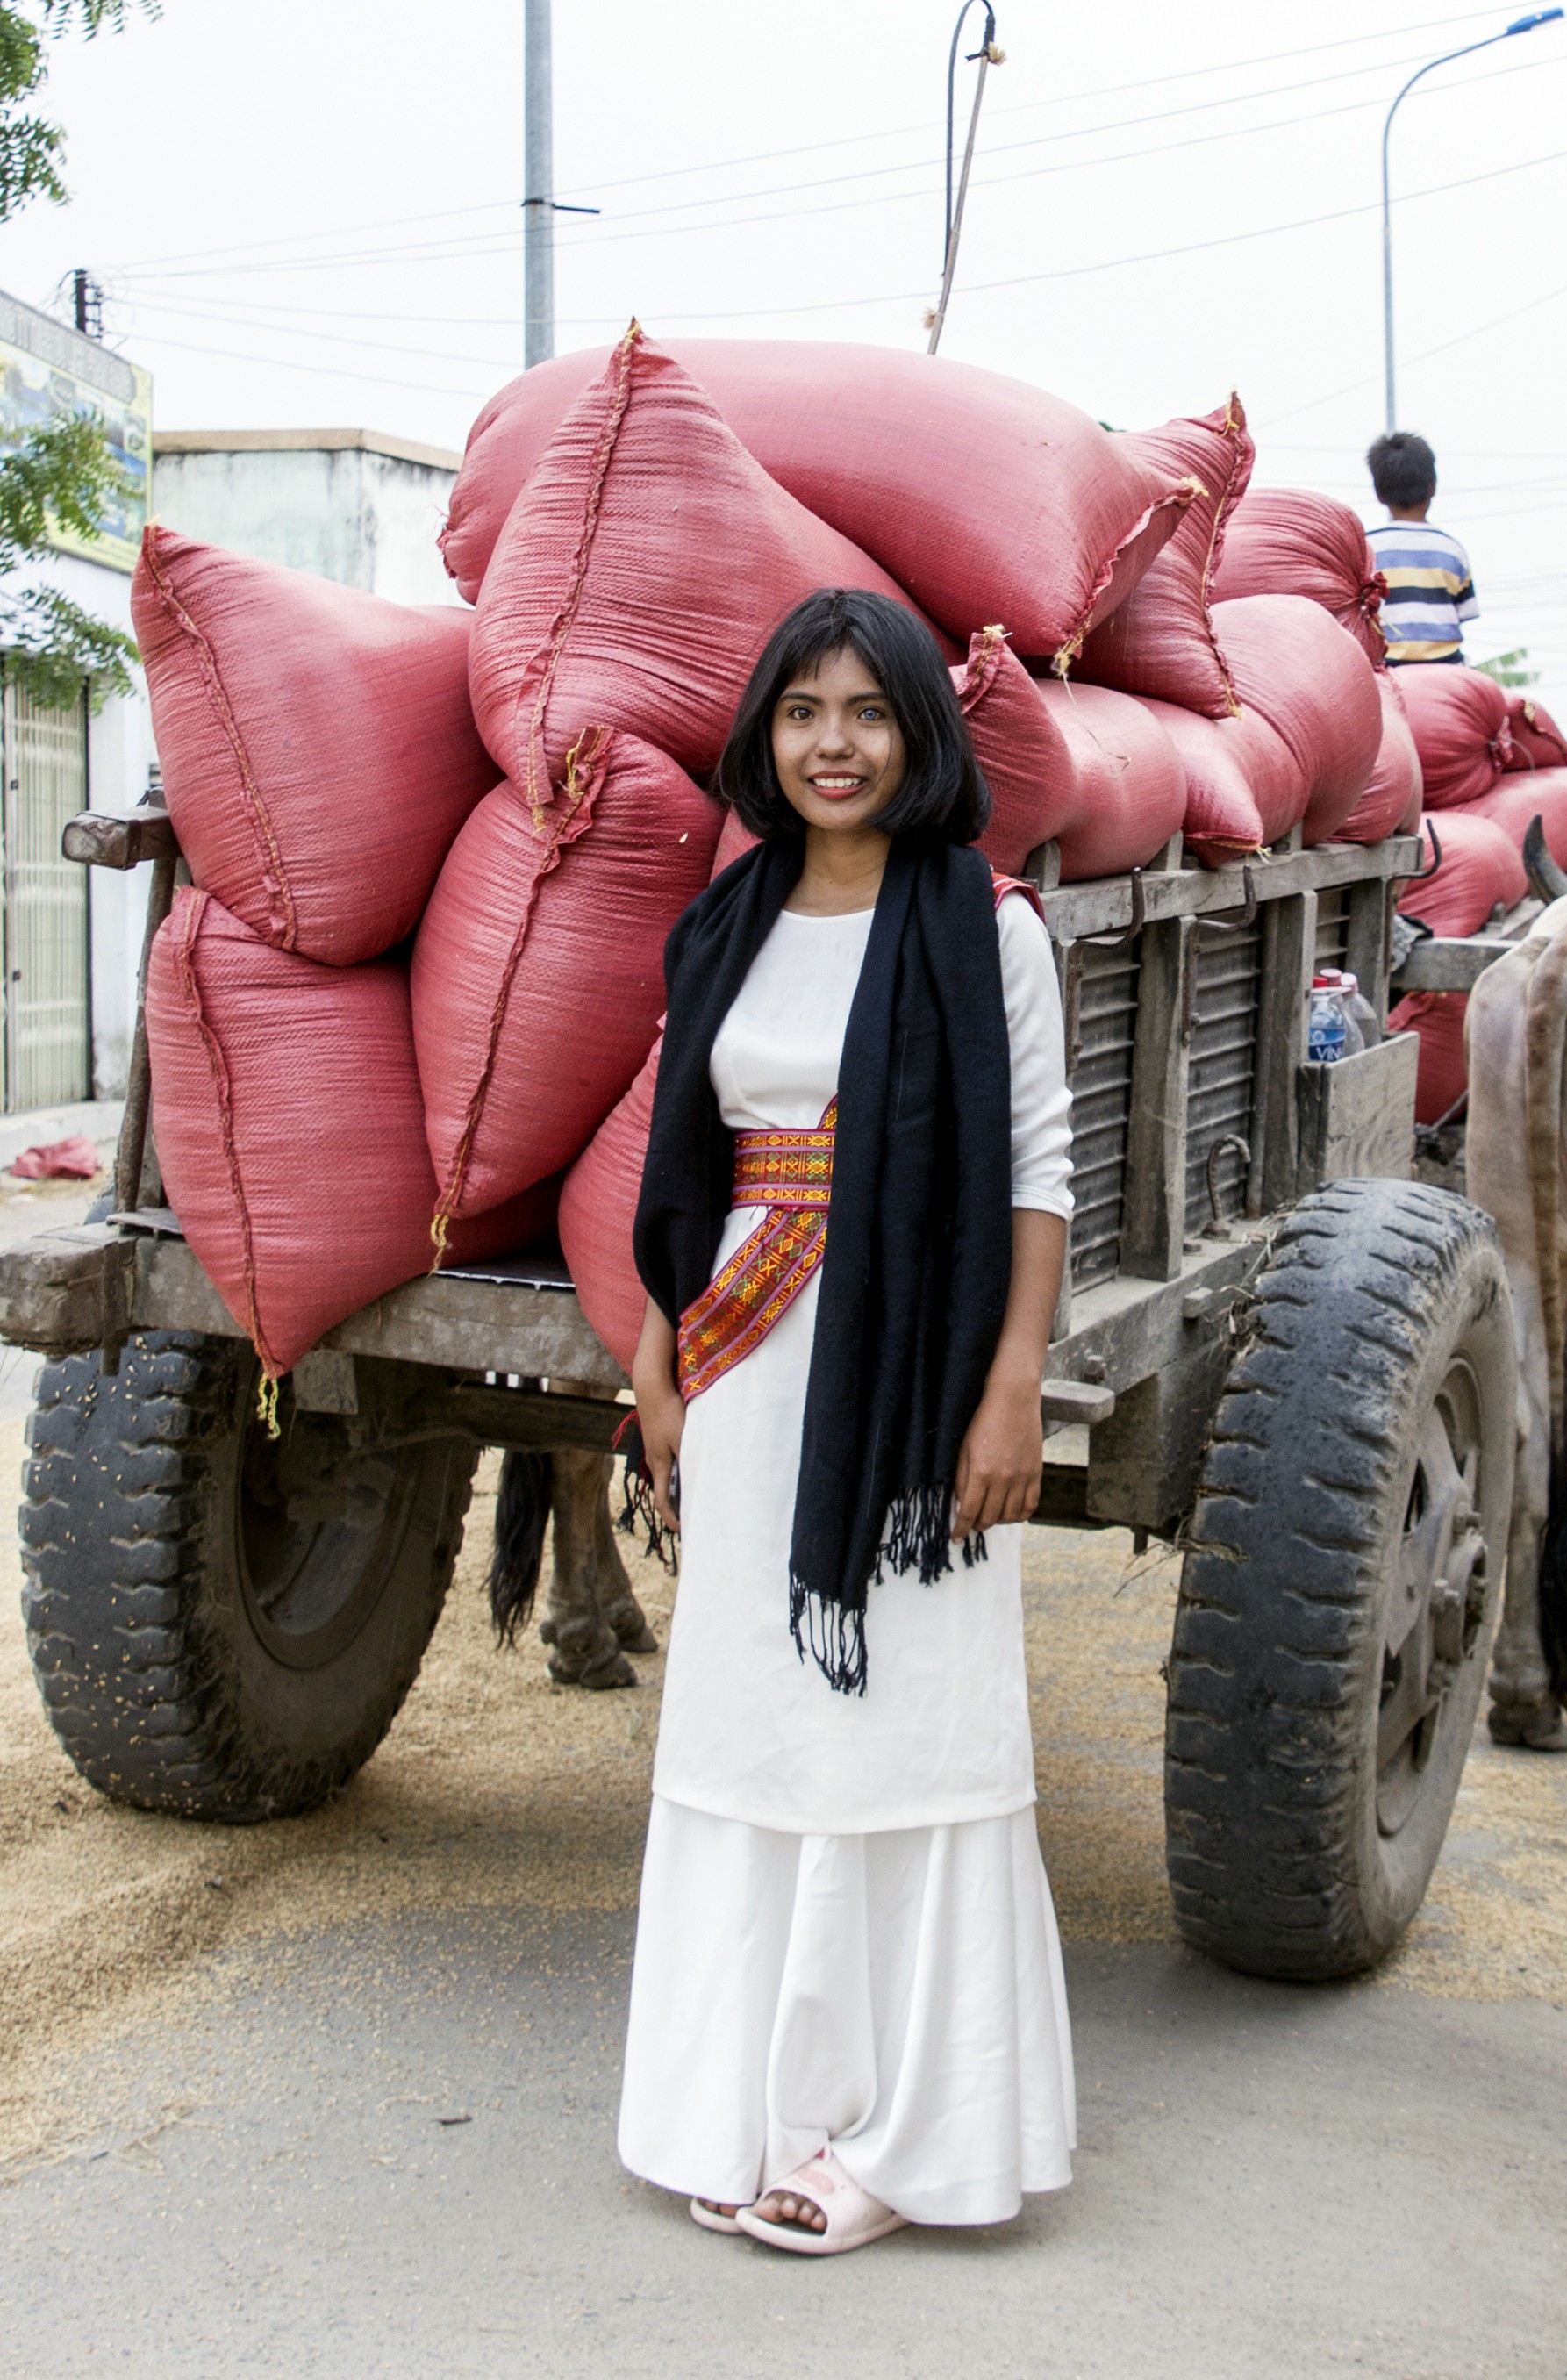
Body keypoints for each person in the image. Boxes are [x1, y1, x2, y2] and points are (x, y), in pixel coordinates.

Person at [617, 587, 1077, 2257]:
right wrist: (658, 1357)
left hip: (917, 1383)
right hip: (745, 1360)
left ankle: (898, 2137)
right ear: (765, 734)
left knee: (910, 1730)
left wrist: (1012, 1381)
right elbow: (686, 1157)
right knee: (755, 1720)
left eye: (866, 711)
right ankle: (744, 2106)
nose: (832, 743)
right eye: (803, 711)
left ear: (918, 735)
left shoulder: (985, 926)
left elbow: (1035, 1176)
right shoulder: (724, 924)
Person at [1365, 429, 1481, 667]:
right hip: (1446, 672)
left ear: (1378, 492)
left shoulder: (1366, 549)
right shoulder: (1451, 550)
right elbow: (1465, 612)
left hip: (1385, 672)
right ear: (1433, 486)